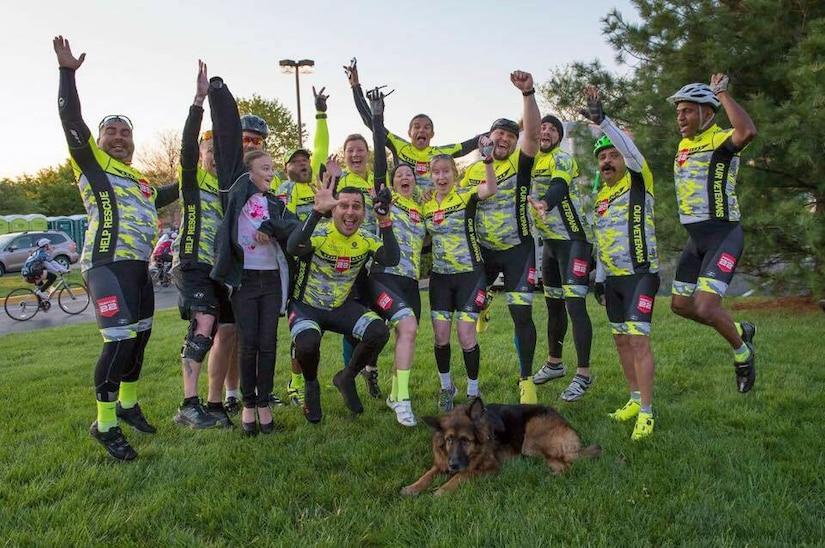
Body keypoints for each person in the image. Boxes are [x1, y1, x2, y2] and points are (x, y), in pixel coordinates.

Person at [53, 36, 179, 460]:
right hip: (105, 265)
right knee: (119, 342)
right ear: (99, 138)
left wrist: (201, 161)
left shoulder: (140, 180)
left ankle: (127, 404)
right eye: (112, 131)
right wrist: (67, 74)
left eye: (126, 133)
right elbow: (70, 117)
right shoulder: (90, 162)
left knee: (140, 339)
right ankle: (104, 424)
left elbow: (174, 190)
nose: (120, 138)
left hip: (137, 268)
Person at [209, 76, 297, 436]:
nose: (271, 175)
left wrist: (272, 229)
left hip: (270, 281)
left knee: (267, 343)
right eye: (265, 169)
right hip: (244, 280)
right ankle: (247, 405)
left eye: (273, 170)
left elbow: (291, 227)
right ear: (249, 171)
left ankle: (264, 401)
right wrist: (218, 94)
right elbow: (227, 138)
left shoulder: (275, 202)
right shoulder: (236, 189)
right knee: (247, 344)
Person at [577, 85, 660, 440]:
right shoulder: (602, 197)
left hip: (641, 275)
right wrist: (599, 278)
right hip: (613, 281)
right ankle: (633, 398)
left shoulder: (640, 182)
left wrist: (603, 122)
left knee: (639, 342)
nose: (607, 161)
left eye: (612, 155)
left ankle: (647, 411)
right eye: (602, 157)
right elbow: (601, 241)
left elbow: (632, 151)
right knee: (621, 342)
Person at [667, 74, 758, 394]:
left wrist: (722, 94)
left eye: (688, 111)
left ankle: (743, 354)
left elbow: (747, 131)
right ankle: (738, 330)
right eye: (678, 112)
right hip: (696, 240)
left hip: (723, 235)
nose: (681, 118)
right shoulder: (684, 144)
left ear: (708, 112)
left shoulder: (721, 139)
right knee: (679, 305)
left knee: (705, 307)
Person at [286, 166, 398, 424]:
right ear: (333, 210)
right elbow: (294, 247)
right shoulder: (321, 233)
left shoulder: (366, 239)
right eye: (343, 206)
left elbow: (391, 258)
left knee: (379, 331)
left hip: (339, 308)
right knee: (307, 344)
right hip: (306, 306)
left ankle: (346, 376)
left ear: (363, 212)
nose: (350, 212)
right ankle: (311, 386)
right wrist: (315, 211)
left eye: (356, 207)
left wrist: (385, 221)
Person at [459, 70, 540, 404]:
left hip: (518, 249)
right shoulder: (472, 171)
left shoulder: (522, 162)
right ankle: (484, 303)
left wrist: (528, 93)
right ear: (487, 139)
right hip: (483, 252)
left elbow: (533, 134)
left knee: (522, 314)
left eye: (510, 135)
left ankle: (526, 380)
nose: (504, 139)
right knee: (470, 307)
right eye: (498, 134)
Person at [169, 61, 235, 430]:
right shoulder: (191, 182)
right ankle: (187, 405)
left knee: (227, 328)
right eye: (210, 151)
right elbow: (186, 148)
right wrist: (198, 102)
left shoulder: (227, 189)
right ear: (202, 154)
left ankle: (213, 404)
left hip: (217, 269)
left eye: (218, 153)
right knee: (205, 321)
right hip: (192, 263)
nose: (215, 158)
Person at [366, 88, 428, 426]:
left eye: (410, 175)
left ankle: (394, 392)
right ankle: (402, 399)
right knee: (406, 326)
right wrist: (378, 120)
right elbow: (380, 161)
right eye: (399, 174)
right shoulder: (386, 197)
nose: (404, 177)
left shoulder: (422, 208)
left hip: (410, 282)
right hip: (383, 276)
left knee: (408, 333)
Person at [425, 138, 498, 412]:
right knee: (440, 337)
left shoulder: (465, 194)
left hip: (470, 275)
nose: (441, 176)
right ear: (431, 177)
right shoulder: (427, 206)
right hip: (441, 279)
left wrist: (487, 160)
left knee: (466, 336)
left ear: (455, 174)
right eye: (436, 172)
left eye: (446, 171)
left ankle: (472, 391)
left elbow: (490, 188)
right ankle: (447, 388)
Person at [527, 115, 595, 402]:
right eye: (542, 127)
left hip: (574, 242)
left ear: (558, 136)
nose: (546, 131)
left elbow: (558, 186)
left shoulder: (562, 159)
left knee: (574, 306)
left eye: (552, 129)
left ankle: (583, 374)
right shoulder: (529, 160)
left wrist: (545, 202)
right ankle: (555, 364)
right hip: (550, 245)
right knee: (553, 305)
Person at [344, 59, 482, 192]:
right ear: (409, 132)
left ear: (433, 134)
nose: (421, 130)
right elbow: (372, 123)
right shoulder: (400, 146)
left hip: (432, 211)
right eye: (416, 127)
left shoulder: (442, 153)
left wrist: (495, 133)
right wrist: (355, 86)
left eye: (427, 127)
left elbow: (475, 142)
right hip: (404, 211)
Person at [276, 85, 330, 407]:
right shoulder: (283, 189)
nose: (303, 164)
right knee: (299, 330)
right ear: (286, 169)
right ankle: (296, 383)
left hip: (328, 263)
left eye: (305, 160)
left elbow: (320, 147)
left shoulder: (318, 182)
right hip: (297, 267)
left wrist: (320, 112)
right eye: (295, 162)